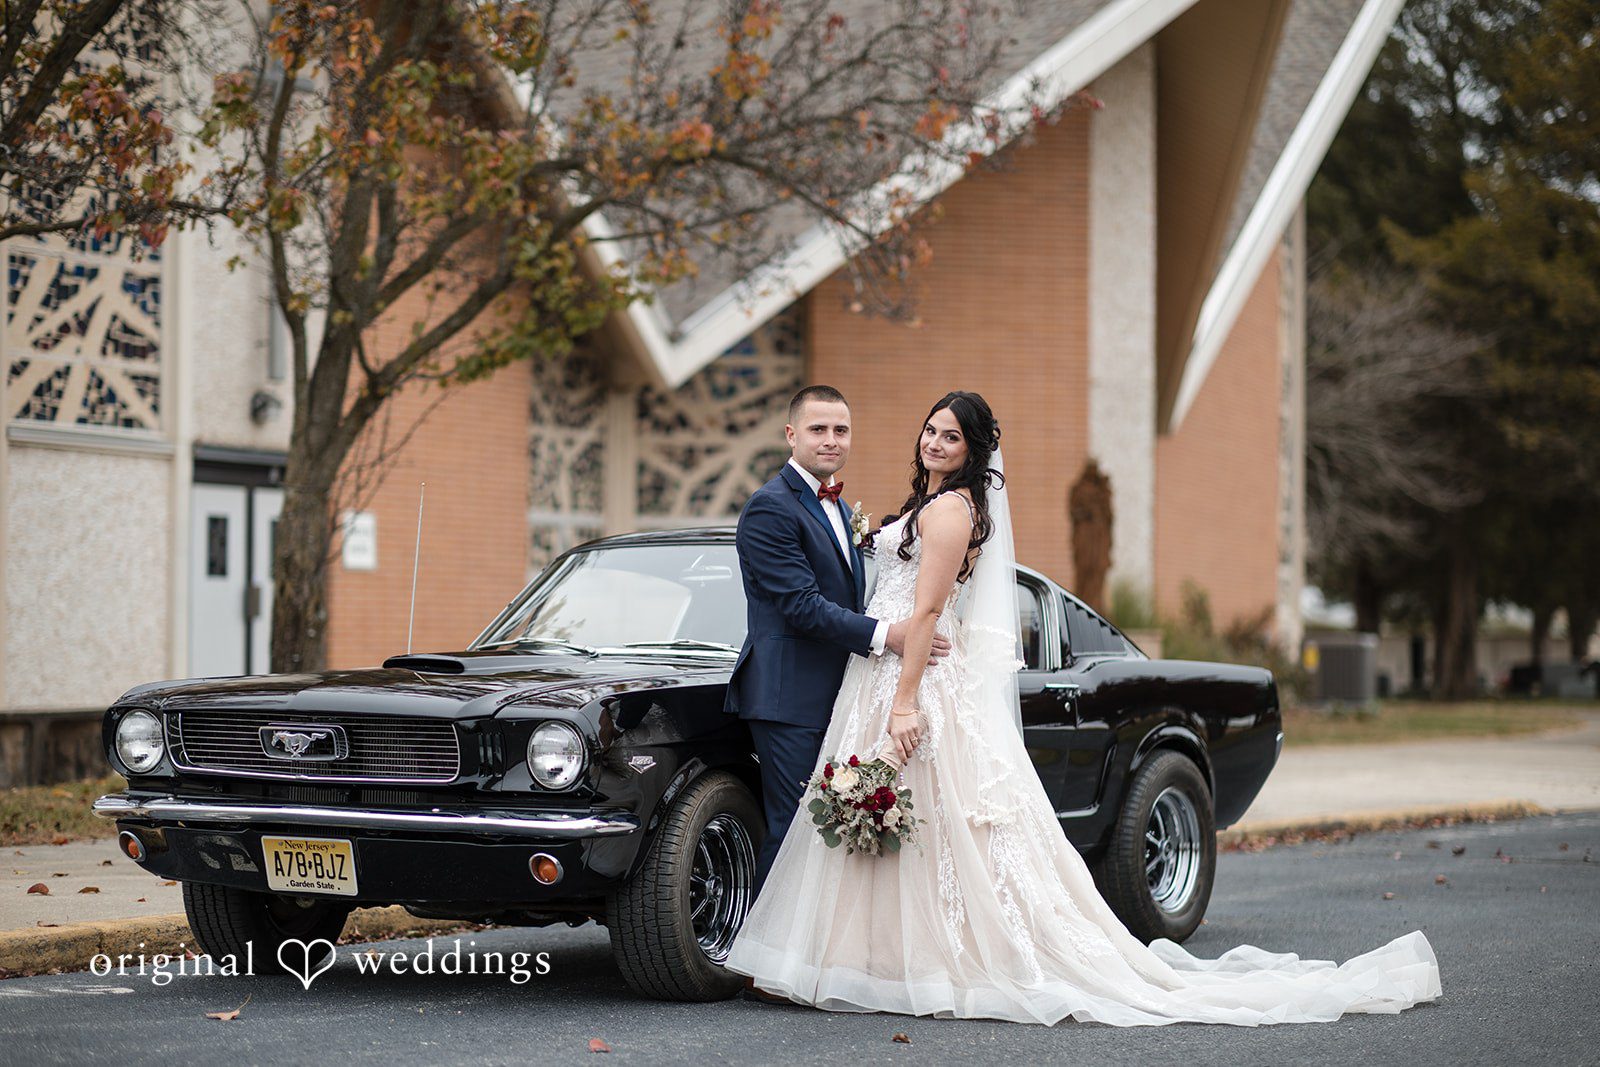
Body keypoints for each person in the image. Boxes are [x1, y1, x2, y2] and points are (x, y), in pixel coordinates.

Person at [725, 390, 1441, 1026]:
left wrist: (906, 699)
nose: (936, 442)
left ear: (974, 451)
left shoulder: (948, 510)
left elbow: (930, 607)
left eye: (951, 436)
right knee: (910, 830)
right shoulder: (912, 506)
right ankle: (868, 959)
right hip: (873, 675)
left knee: (926, 828)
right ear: (793, 434)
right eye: (930, 431)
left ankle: (880, 961)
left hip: (906, 678)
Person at [726, 385, 949, 892]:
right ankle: (761, 968)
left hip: (838, 692)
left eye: (840, 430)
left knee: (825, 829)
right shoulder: (770, 507)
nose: (831, 440)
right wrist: (888, 635)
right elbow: (801, 606)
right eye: (818, 429)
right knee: (793, 830)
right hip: (788, 697)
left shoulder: (838, 505)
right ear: (791, 435)